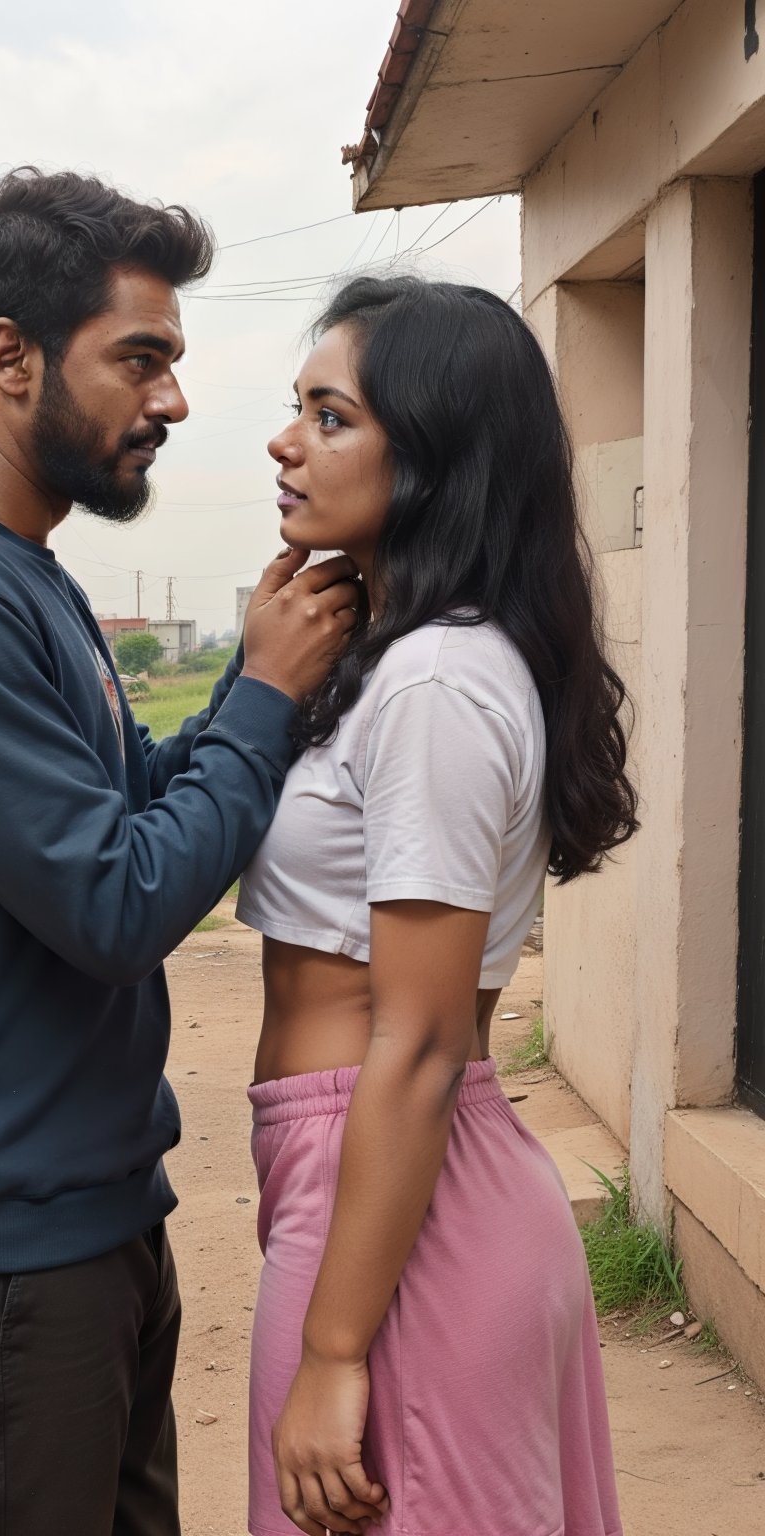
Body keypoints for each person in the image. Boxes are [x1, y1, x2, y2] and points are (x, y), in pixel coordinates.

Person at [0, 167, 360, 1536]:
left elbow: (120, 812)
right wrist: (266, 700)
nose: (171, 401)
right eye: (142, 359)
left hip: (76, 1224)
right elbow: (116, 901)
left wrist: (253, 687)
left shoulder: (22, 574)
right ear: (10, 356)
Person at [236, 274, 639, 1536]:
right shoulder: (401, 660)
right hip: (369, 1177)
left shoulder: (434, 682)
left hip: (407, 1200)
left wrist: (336, 1349)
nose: (285, 439)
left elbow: (415, 1040)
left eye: (330, 414)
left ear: (435, 456)